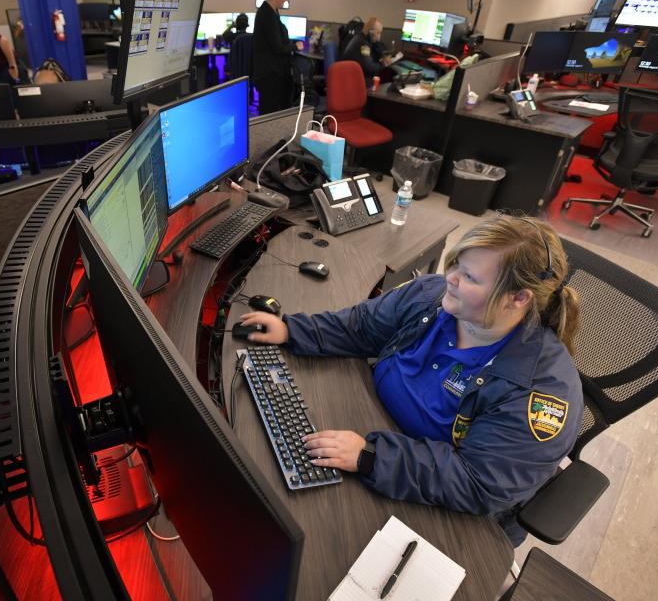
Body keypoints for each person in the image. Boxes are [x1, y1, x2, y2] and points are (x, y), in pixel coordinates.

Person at [239, 215, 583, 545]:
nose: (450, 278)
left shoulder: (540, 391)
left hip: (440, 504)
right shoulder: (433, 297)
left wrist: (373, 456)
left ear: (518, 298)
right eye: (454, 265)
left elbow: (479, 482)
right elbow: (361, 327)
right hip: (376, 433)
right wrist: (292, 330)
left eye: (469, 277)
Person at [252, 0, 300, 115]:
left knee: (278, 108)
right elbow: (277, 47)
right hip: (269, 74)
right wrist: (295, 46)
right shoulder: (267, 14)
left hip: (274, 72)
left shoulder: (272, 11)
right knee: (270, 113)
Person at [341, 17, 400, 83]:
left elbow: (378, 50)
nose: (379, 37)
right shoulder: (363, 44)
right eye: (378, 33)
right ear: (370, 32)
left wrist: (382, 58)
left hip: (354, 76)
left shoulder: (363, 38)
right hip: (354, 80)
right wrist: (384, 64)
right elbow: (369, 67)